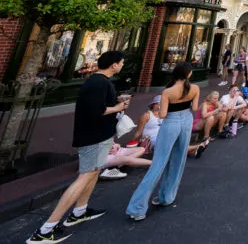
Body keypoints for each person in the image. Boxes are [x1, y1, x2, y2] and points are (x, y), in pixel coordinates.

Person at [28, 51, 129, 244]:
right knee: (85, 175)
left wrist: (116, 102)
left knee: (94, 172)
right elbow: (96, 110)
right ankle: (45, 229)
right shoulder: (98, 83)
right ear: (114, 65)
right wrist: (118, 108)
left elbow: (100, 105)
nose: (122, 65)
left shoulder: (100, 83)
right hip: (93, 137)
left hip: (100, 135)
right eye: (121, 63)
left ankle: (80, 211)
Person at [127, 62, 199, 221]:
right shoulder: (195, 89)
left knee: (158, 162)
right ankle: (167, 196)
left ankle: (138, 208)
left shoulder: (167, 92)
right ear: (188, 74)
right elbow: (194, 108)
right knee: (179, 159)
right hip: (187, 120)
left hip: (171, 123)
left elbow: (163, 114)